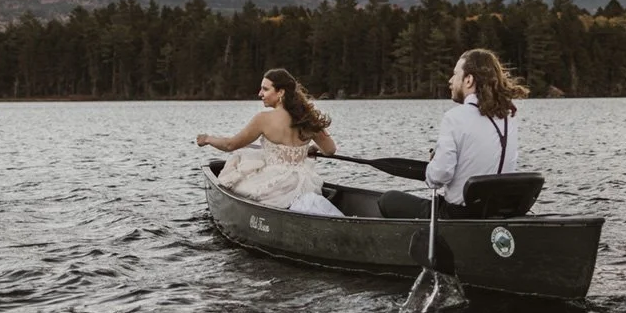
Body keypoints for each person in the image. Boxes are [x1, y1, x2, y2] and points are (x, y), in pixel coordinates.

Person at [378, 48, 529, 219]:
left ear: (469, 80)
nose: (450, 80)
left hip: (457, 215)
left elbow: (440, 175)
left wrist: (433, 166)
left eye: (455, 74)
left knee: (388, 199)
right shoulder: (509, 119)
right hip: (495, 214)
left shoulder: (455, 117)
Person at [197, 68, 343, 216]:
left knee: (237, 163)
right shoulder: (308, 118)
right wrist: (310, 148)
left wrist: (208, 139)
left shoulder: (263, 119)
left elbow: (230, 145)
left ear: (281, 92)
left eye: (265, 89)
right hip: (304, 182)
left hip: (276, 184)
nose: (260, 93)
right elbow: (330, 150)